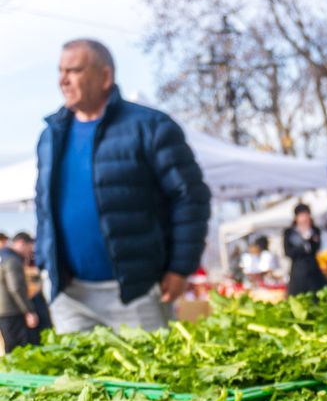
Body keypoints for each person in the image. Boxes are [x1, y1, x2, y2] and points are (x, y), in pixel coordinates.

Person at [35, 39, 210, 333]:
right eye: (60, 71)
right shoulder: (51, 135)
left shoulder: (151, 126)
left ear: (105, 76)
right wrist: (44, 263)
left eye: (74, 70)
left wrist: (181, 267)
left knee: (153, 376)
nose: (63, 80)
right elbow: (43, 206)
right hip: (71, 296)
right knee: (77, 378)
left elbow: (190, 198)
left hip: (137, 292)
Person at [0, 233, 40, 351]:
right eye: (30, 247)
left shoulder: (4, 256)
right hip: (11, 311)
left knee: (11, 347)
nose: (30, 251)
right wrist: (29, 311)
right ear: (22, 243)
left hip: (5, 311)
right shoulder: (12, 260)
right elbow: (16, 288)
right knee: (17, 350)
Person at [284, 204, 327, 296]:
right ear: (296, 218)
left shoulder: (315, 231)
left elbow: (316, 248)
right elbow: (288, 252)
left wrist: (309, 238)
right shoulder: (289, 233)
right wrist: (304, 246)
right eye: (302, 215)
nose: (305, 218)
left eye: (306, 215)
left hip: (313, 272)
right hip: (297, 272)